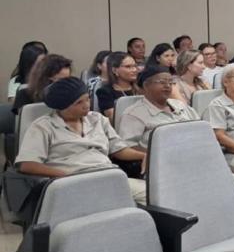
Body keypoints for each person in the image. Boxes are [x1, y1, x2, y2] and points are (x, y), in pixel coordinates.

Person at [16, 77, 146, 202]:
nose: (87, 105)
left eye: (87, 99)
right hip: (72, 182)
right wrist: (64, 176)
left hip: (109, 175)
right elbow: (27, 165)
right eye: (79, 102)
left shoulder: (97, 119)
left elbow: (119, 150)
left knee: (151, 194)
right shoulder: (43, 126)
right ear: (62, 106)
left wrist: (145, 155)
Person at [117, 64, 200, 150]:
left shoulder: (179, 105)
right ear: (146, 85)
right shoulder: (134, 114)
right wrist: (155, 155)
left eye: (170, 82)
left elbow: (200, 129)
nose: (167, 86)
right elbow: (129, 146)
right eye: (162, 82)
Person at [95, 52, 139, 121]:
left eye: (135, 66)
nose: (134, 70)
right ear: (115, 70)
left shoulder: (142, 88)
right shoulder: (104, 92)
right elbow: (114, 119)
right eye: (128, 67)